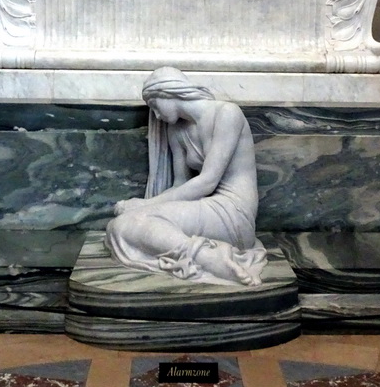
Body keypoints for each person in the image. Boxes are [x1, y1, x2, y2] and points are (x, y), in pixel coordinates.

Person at [105, 67, 267, 286]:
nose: (156, 115)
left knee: (136, 220)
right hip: (205, 206)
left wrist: (145, 205)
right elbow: (180, 185)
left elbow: (207, 182)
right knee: (120, 226)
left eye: (155, 105)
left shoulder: (226, 113)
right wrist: (143, 207)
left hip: (233, 212)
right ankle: (207, 257)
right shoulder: (177, 131)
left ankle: (211, 261)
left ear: (169, 92)